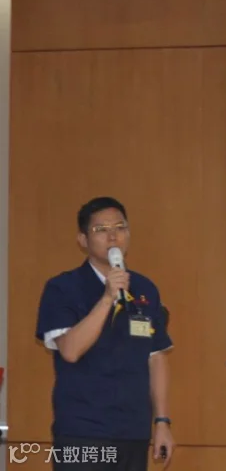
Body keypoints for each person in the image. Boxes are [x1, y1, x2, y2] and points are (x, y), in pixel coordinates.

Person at [34, 197, 175, 470]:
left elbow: (156, 358)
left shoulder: (145, 288)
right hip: (82, 433)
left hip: (133, 432)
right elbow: (70, 351)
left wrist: (162, 421)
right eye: (101, 229)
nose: (113, 236)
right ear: (83, 240)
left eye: (120, 227)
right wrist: (108, 297)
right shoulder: (63, 288)